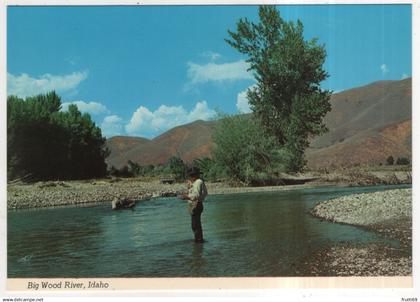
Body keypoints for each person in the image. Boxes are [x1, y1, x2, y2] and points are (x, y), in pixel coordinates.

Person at [180, 167, 208, 243]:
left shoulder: (198, 182)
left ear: (193, 176)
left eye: (190, 176)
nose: (189, 177)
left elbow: (197, 195)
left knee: (195, 225)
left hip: (196, 205)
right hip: (196, 204)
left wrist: (186, 197)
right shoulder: (196, 182)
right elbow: (203, 193)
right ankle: (199, 240)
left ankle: (199, 241)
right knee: (196, 224)